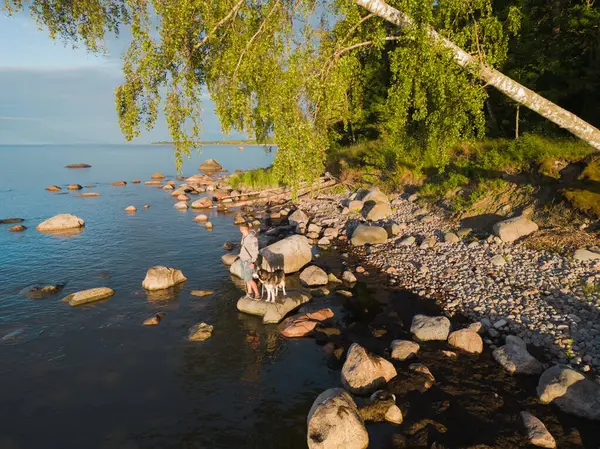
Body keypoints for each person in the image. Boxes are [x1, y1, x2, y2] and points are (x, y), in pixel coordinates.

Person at [239, 224, 260, 300]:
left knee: (249, 279)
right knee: (247, 278)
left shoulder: (253, 238)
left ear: (244, 228)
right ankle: (250, 293)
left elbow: (256, 251)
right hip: (243, 259)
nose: (240, 228)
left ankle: (257, 294)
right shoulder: (243, 236)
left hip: (249, 261)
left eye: (240, 227)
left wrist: (253, 262)